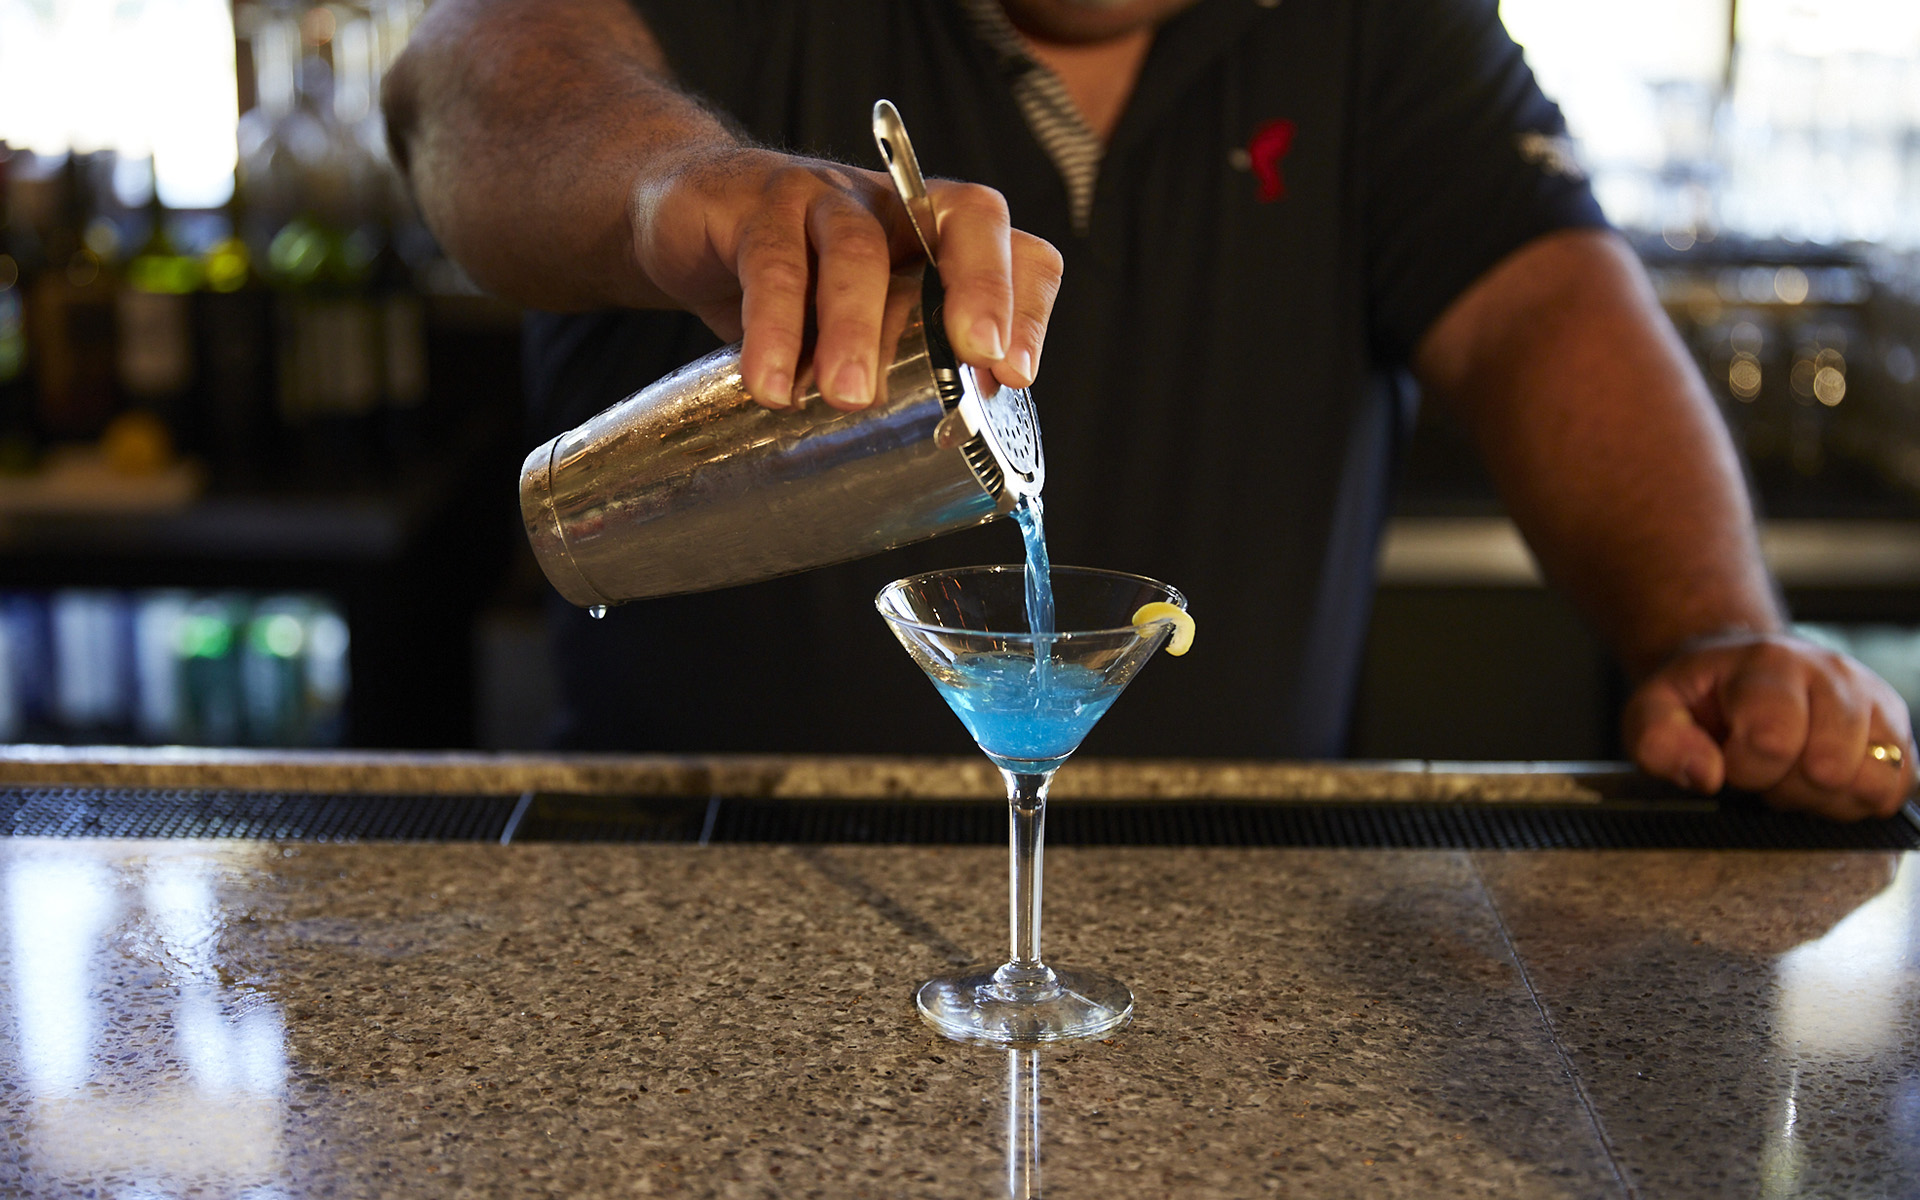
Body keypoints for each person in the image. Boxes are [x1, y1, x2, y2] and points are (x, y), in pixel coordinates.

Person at [384, 0, 1915, 821]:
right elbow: (464, 76)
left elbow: (1544, 309)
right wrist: (674, 185)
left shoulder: (1385, 32)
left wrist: (1712, 629)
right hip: (696, 871)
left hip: (1244, 932)